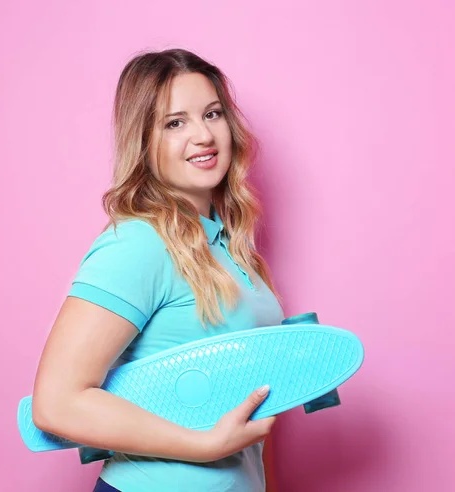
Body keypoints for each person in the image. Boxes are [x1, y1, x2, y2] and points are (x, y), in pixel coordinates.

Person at [31, 48, 285, 492]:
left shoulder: (228, 247)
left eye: (212, 114)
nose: (203, 135)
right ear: (144, 140)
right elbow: (55, 403)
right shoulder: (139, 244)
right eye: (175, 123)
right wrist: (204, 446)